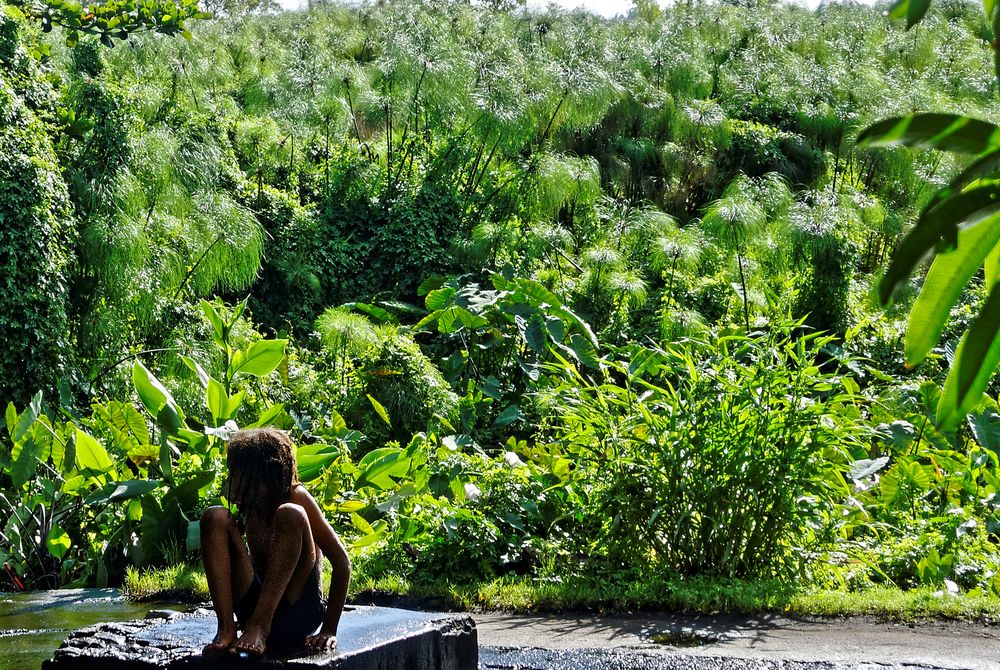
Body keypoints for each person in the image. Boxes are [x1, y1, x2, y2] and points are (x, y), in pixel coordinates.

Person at [200, 428, 351, 658]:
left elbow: (342, 563)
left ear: (262, 475)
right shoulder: (252, 505)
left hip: (297, 613)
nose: (230, 481)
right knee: (214, 517)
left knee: (290, 514)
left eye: (236, 474)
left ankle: (260, 627)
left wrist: (329, 629)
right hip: (253, 607)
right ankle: (226, 629)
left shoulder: (296, 497)